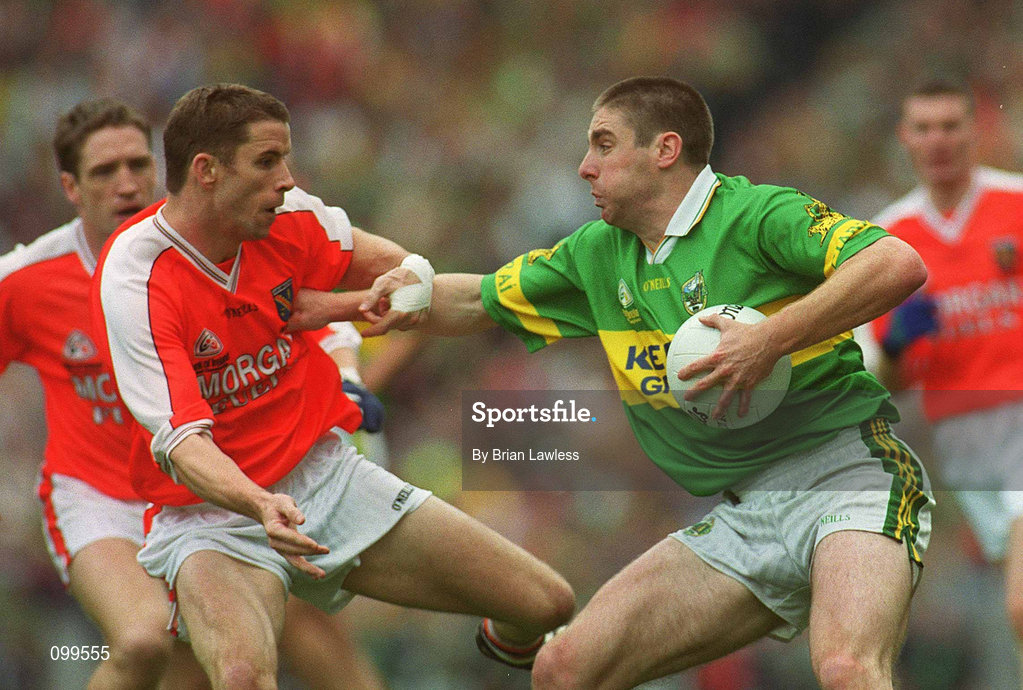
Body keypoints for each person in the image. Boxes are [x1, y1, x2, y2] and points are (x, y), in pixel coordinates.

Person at [291, 76, 935, 690]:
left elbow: (897, 262)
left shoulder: (758, 214)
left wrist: (770, 338)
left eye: (603, 144)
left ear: (665, 150)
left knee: (847, 669)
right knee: (564, 670)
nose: (584, 167)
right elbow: (475, 301)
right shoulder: (597, 253)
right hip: (744, 512)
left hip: (848, 477)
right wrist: (394, 294)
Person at [91, 84, 574, 690]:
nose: (287, 180)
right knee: (241, 677)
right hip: (212, 515)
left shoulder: (290, 216)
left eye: (285, 159)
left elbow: (400, 266)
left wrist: (383, 291)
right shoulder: (136, 272)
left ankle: (505, 643)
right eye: (267, 161)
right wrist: (258, 503)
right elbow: (182, 442)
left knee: (547, 603)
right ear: (206, 170)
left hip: (326, 478)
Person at [0, 98, 395, 690]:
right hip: (104, 497)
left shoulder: (213, 241)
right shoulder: (27, 279)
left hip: (211, 488)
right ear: (70, 188)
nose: (126, 183)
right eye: (104, 171)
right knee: (144, 641)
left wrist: (347, 374)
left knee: (295, 638)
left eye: (138, 164)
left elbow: (297, 311)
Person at [870, 77, 1023, 685]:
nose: (938, 140)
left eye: (951, 125)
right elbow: (890, 382)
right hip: (965, 441)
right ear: (905, 137)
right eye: (924, 128)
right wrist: (895, 343)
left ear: (974, 130)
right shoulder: (888, 239)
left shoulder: (1016, 204)